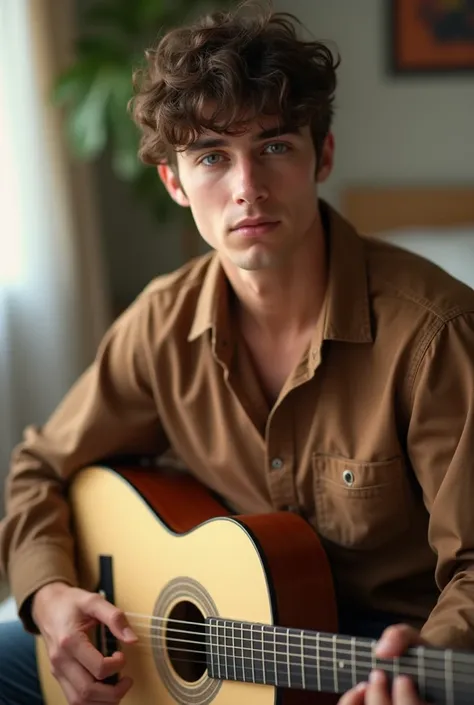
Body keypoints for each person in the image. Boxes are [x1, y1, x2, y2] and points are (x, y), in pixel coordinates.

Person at [1, 2, 474, 704]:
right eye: (212, 157)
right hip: (219, 633)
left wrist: (431, 661)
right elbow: (40, 465)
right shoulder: (161, 322)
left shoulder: (436, 333)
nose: (247, 187)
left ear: (324, 154)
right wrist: (46, 596)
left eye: (275, 146)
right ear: (175, 182)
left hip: (383, 651)